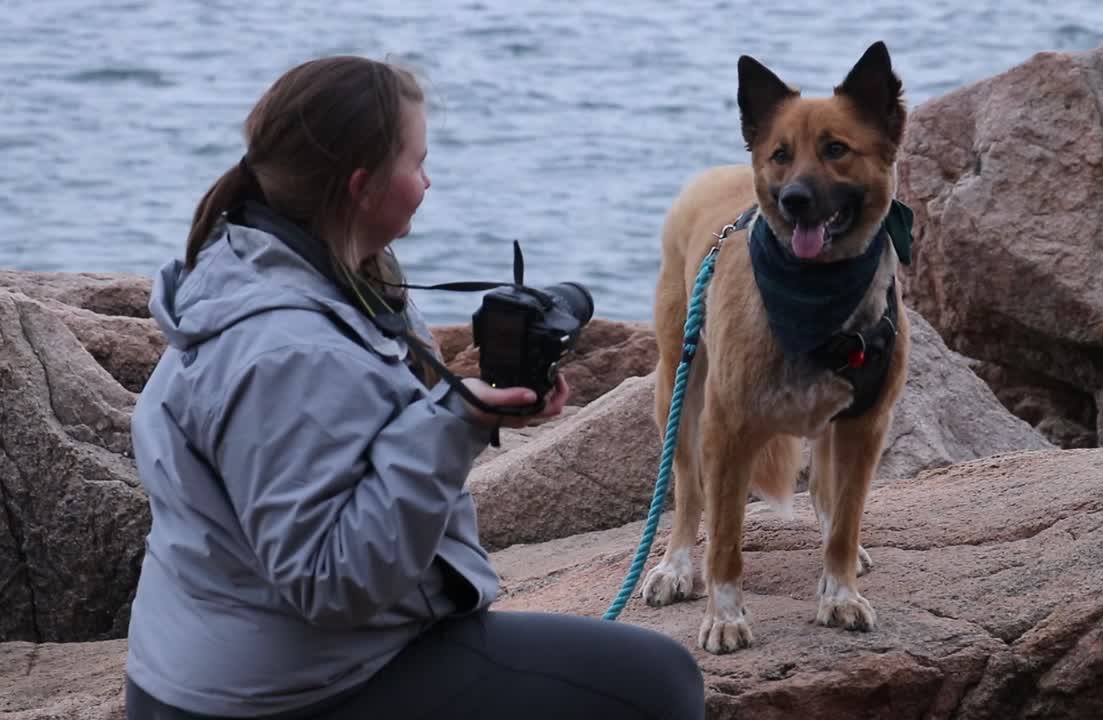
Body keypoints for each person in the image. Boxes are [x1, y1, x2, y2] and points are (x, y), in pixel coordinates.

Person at [125, 55, 704, 720]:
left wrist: (469, 407)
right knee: (659, 684)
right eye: (418, 163)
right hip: (281, 694)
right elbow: (329, 579)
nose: (429, 181)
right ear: (363, 187)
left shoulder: (290, 271)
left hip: (225, 667)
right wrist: (453, 422)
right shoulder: (288, 349)